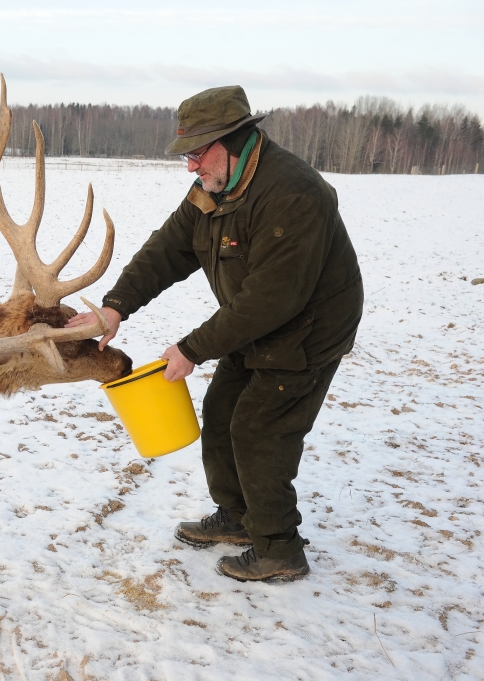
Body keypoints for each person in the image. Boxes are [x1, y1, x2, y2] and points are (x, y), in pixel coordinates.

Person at [66, 85, 363, 582]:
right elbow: (169, 248)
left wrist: (193, 348)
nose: (190, 166)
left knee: (259, 428)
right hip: (254, 320)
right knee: (223, 409)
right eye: (186, 154)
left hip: (307, 329)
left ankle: (279, 548)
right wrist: (116, 308)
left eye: (197, 152)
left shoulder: (293, 194)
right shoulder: (217, 186)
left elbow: (273, 298)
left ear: (233, 140)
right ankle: (239, 517)